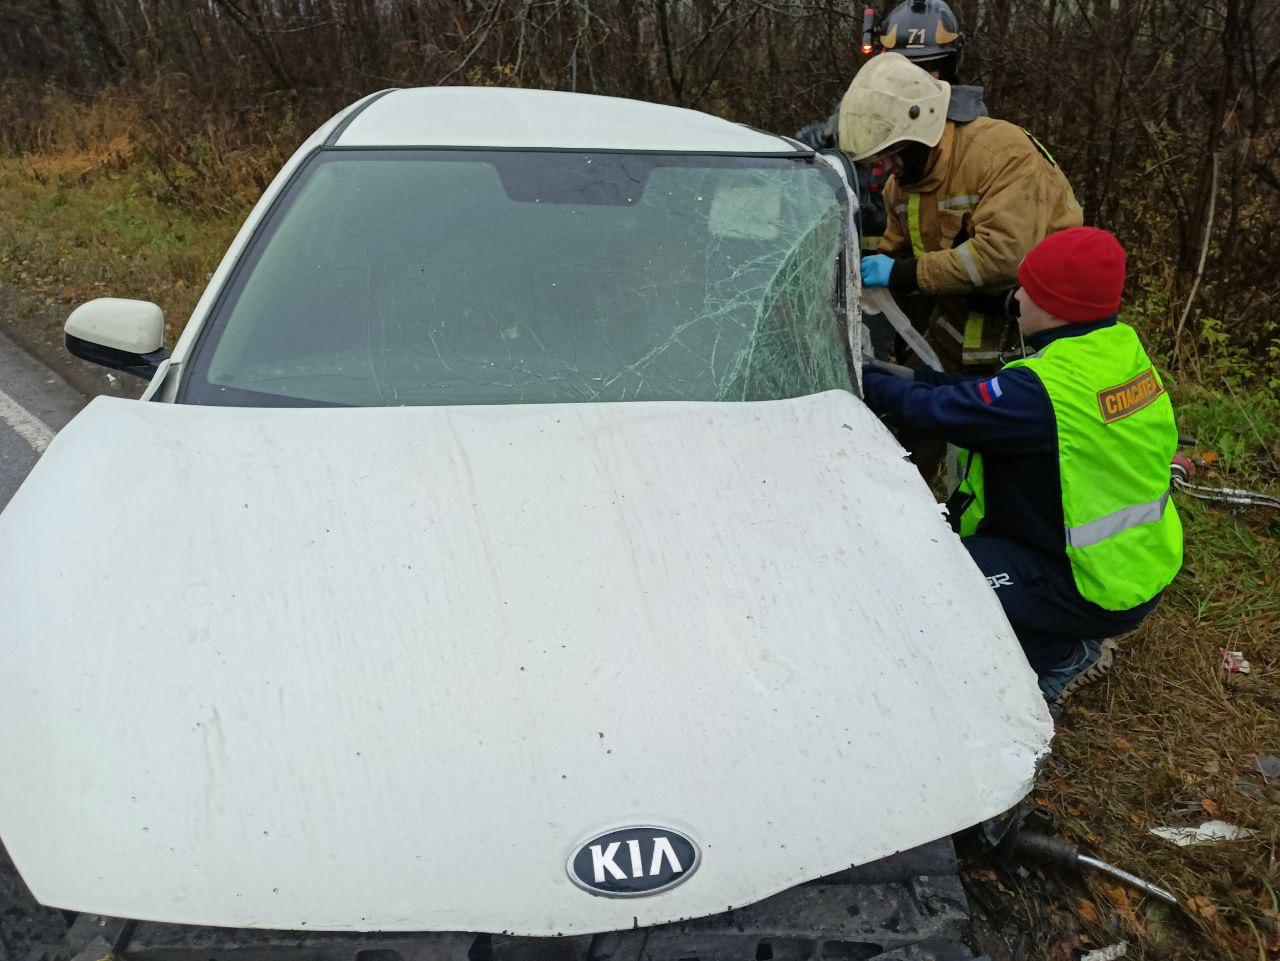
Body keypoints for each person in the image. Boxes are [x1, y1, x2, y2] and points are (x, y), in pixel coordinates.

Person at [860, 228, 1183, 704]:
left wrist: (864, 378)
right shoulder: (1115, 352)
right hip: (1133, 566)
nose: (1016, 298)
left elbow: (937, 413)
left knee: (933, 578)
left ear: (1053, 304)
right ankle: (1050, 628)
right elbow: (980, 400)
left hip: (1086, 582)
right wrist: (915, 377)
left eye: (1026, 288)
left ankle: (1059, 653)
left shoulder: (1040, 393)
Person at [845, 52, 1083, 375]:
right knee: (901, 401)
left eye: (888, 155)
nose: (881, 170)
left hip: (1032, 341)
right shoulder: (900, 187)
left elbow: (1003, 256)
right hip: (955, 339)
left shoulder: (1001, 154)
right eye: (874, 160)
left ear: (921, 131)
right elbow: (897, 253)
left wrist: (904, 273)